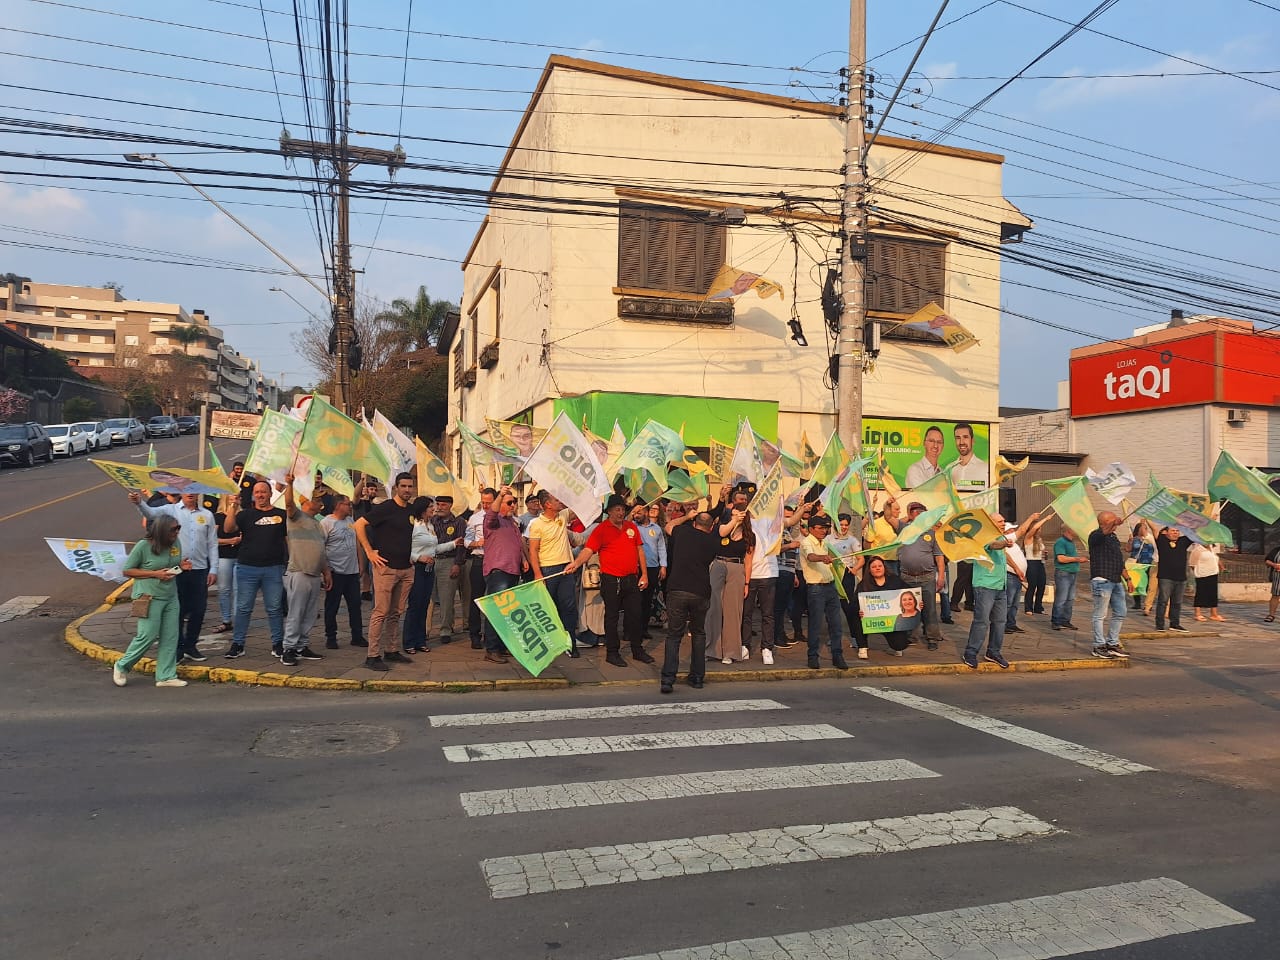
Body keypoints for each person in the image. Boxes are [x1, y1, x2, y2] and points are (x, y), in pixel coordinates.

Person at [130, 488, 218, 663]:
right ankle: (177, 648)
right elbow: (150, 513)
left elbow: (212, 544)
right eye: (186, 490)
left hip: (200, 569)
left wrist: (213, 569)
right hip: (177, 569)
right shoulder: (171, 510)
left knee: (199, 609)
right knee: (178, 610)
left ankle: (191, 645)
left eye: (194, 490)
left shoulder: (207, 515)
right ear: (181, 492)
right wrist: (139, 502)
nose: (190, 493)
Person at [564, 494, 651, 668]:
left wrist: (644, 574)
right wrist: (575, 563)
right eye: (617, 509)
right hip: (611, 580)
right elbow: (588, 550)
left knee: (635, 615)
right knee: (611, 616)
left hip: (631, 578)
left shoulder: (630, 527)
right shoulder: (601, 529)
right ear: (609, 512)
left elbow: (640, 550)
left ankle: (637, 649)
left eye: (622, 509)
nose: (620, 513)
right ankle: (612, 652)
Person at [112, 514, 190, 688]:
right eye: (173, 529)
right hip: (148, 597)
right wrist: (155, 574)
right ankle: (122, 665)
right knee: (147, 635)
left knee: (170, 636)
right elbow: (128, 571)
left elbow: (170, 569)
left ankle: (166, 675)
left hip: (170, 596)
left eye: (178, 528)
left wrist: (180, 568)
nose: (177, 532)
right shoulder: (143, 546)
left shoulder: (175, 544)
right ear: (161, 530)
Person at [354, 472, 417, 671]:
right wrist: (369, 551)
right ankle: (373, 655)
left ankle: (391, 649)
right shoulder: (385, 508)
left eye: (410, 486)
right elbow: (359, 524)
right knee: (380, 612)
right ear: (396, 487)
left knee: (397, 612)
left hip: (406, 569)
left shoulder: (411, 511)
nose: (407, 490)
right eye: (404, 486)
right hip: (385, 568)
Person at [222, 480, 287, 659]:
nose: (260, 495)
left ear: (270, 494)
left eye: (264, 492)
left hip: (273, 568)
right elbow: (228, 529)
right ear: (253, 495)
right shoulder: (245, 515)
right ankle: (238, 643)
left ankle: (277, 643)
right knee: (243, 608)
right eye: (257, 492)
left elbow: (288, 539)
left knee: (274, 608)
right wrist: (232, 507)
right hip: (247, 568)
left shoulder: (281, 515)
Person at [659, 509, 720, 693]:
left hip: (677, 589)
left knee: (674, 635)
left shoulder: (683, 532)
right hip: (700, 591)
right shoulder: (712, 541)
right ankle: (697, 677)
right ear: (710, 527)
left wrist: (686, 516)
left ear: (695, 523)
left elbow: (668, 526)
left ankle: (668, 679)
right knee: (699, 634)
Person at [279, 472, 330, 666]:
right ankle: (289, 648)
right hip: (299, 571)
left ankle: (302, 645)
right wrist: (289, 485)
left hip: (315, 574)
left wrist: (326, 572)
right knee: (296, 612)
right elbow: (289, 504)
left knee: (309, 613)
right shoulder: (296, 517)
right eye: (317, 499)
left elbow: (321, 550)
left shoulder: (317, 524)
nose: (321, 503)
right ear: (307, 501)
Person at [527, 492, 586, 657]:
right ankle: (547, 644)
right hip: (547, 570)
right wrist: (538, 574)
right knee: (547, 609)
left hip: (565, 569)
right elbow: (533, 550)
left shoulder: (563, 515)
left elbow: (579, 506)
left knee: (569, 608)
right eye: (556, 499)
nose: (560, 501)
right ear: (547, 505)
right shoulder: (537, 524)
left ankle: (570, 643)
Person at [404, 496, 460, 654]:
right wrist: (418, 557)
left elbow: (434, 548)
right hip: (417, 568)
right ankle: (409, 641)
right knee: (415, 606)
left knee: (424, 605)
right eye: (430, 506)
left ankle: (420, 640)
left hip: (430, 569)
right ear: (422, 509)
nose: (434, 509)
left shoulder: (430, 526)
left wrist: (453, 544)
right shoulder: (415, 525)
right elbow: (404, 547)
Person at [962, 513, 1018, 669]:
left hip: (1000, 586)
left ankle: (993, 651)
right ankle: (971, 652)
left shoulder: (1000, 537)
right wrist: (1005, 544)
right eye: (1000, 521)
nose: (1003, 523)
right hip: (985, 586)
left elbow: (1004, 549)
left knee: (1000, 622)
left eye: (1003, 520)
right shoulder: (984, 537)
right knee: (982, 621)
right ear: (991, 523)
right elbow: (994, 545)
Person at [707, 483, 756, 664]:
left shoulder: (750, 535)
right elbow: (721, 532)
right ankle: (712, 649)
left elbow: (749, 560)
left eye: (740, 513)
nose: (737, 515)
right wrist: (733, 521)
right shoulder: (724, 526)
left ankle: (730, 651)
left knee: (733, 611)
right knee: (714, 608)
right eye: (734, 512)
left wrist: (747, 583)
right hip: (719, 564)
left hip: (737, 569)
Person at [479, 487, 528, 664]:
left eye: (514, 501)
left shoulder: (512, 523)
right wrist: (500, 496)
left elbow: (517, 545)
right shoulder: (493, 521)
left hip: (513, 571)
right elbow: (491, 513)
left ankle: (500, 646)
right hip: (498, 571)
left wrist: (523, 559)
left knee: (507, 612)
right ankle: (491, 649)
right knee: (497, 611)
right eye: (509, 502)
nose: (513, 505)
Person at [799, 514, 849, 670]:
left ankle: (837, 655)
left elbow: (834, 557)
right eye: (821, 528)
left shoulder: (825, 542)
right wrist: (823, 558)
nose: (824, 530)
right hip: (816, 588)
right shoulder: (806, 542)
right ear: (811, 528)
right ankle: (812, 656)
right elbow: (811, 556)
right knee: (815, 624)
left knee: (836, 624)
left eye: (826, 528)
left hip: (830, 586)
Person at [896, 501, 946, 651]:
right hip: (907, 576)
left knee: (929, 608)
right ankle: (911, 636)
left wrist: (941, 577)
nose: (918, 514)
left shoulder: (932, 533)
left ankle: (932, 637)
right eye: (915, 512)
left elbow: (939, 557)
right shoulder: (904, 529)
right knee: (909, 607)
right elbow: (889, 518)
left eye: (922, 512)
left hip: (927, 577)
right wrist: (910, 516)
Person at [321, 494, 365, 649]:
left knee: (355, 604)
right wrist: (326, 570)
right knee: (332, 606)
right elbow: (321, 547)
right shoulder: (326, 523)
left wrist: (360, 563)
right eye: (347, 504)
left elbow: (357, 543)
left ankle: (357, 636)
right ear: (338, 505)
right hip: (335, 571)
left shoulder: (350, 521)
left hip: (352, 571)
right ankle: (331, 637)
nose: (350, 506)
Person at [1087, 511, 1133, 658]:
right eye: (1112, 520)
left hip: (1116, 579)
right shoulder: (1095, 535)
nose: (1117, 523)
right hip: (1102, 580)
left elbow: (1119, 561)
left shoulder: (1113, 537)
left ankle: (1112, 643)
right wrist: (1113, 523)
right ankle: (1098, 645)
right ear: (1104, 522)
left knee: (1121, 611)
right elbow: (1103, 532)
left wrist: (1128, 579)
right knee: (1100, 614)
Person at [459, 487, 497, 649]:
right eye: (483, 502)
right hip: (479, 560)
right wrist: (477, 543)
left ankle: (493, 636)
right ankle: (475, 634)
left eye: (489, 502)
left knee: (495, 600)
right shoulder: (474, 518)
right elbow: (466, 541)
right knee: (476, 597)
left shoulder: (502, 517)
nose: (486, 505)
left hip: (496, 562)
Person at [829, 513, 867, 659]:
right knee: (831, 608)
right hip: (832, 576)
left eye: (846, 525)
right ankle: (833, 637)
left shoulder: (853, 540)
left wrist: (855, 569)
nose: (843, 527)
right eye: (841, 524)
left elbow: (861, 559)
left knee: (849, 608)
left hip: (847, 576)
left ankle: (856, 638)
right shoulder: (828, 539)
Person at [429, 493, 466, 642]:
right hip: (432, 560)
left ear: (450, 505)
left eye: (443, 505)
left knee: (446, 598)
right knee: (431, 598)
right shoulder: (432, 521)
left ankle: (445, 630)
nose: (440, 507)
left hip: (449, 561)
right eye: (438, 504)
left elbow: (461, 544)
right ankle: (426, 628)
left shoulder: (458, 522)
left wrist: (457, 563)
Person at [859, 556, 912, 656]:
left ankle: (895, 647)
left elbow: (910, 592)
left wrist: (916, 604)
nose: (877, 568)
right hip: (872, 620)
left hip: (891, 621)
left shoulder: (894, 580)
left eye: (880, 566)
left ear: (884, 567)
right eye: (874, 567)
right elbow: (854, 603)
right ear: (869, 570)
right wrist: (859, 610)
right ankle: (862, 647)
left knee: (900, 644)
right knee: (857, 617)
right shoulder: (864, 584)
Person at [772, 503, 807, 649]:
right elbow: (773, 550)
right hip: (779, 571)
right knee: (778, 607)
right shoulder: (775, 530)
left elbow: (796, 524)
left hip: (789, 571)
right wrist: (789, 546)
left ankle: (781, 634)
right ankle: (776, 637)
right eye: (786, 517)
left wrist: (794, 575)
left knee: (784, 606)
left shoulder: (787, 532)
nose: (789, 520)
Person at [634, 502, 668, 638]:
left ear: (646, 513)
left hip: (652, 568)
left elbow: (661, 548)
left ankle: (643, 629)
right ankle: (630, 630)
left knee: (647, 601)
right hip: (636, 569)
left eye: (639, 513)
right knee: (634, 601)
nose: (637, 515)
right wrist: (631, 513)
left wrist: (663, 566)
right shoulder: (632, 527)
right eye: (635, 513)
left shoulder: (657, 529)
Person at [211, 494, 240, 635]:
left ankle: (238, 620)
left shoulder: (242, 515)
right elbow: (212, 540)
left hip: (240, 556)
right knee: (224, 589)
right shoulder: (218, 517)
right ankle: (226, 620)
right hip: (224, 556)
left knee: (238, 590)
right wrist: (229, 541)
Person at [1154, 525, 1191, 632]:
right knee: (1163, 601)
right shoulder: (1162, 541)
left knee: (1177, 602)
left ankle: (1174, 624)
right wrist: (1147, 518)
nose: (1175, 533)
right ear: (1166, 532)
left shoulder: (1183, 541)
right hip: (1166, 577)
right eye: (1173, 531)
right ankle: (1160, 624)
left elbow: (1195, 532)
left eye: (1177, 531)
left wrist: (1209, 519)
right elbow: (1154, 529)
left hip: (1181, 578)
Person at [352, 478, 382, 600]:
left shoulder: (377, 506)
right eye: (371, 489)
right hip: (361, 541)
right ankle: (359, 590)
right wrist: (362, 480)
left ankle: (368, 590)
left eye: (375, 489)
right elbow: (355, 494)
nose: (373, 491)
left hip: (375, 541)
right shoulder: (360, 505)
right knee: (361, 568)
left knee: (372, 569)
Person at [1051, 525, 1085, 631]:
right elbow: (1061, 558)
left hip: (1072, 573)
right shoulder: (1061, 542)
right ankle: (1056, 621)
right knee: (1061, 598)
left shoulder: (1071, 542)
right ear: (1069, 530)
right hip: (1064, 573)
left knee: (1070, 599)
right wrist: (1077, 559)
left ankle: (1065, 620)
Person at [863, 497, 902, 576]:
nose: (899, 512)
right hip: (881, 562)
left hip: (896, 562)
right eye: (897, 509)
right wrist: (873, 560)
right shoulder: (876, 524)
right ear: (888, 510)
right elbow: (867, 544)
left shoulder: (898, 524)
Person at [1190, 542, 1225, 622]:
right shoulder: (1198, 549)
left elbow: (1215, 558)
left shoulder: (1211, 549)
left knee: (1213, 594)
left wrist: (1221, 566)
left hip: (1213, 573)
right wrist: (1198, 571)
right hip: (1202, 574)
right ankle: (1198, 614)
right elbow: (1192, 564)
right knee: (1200, 593)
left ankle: (1214, 614)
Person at [948, 422, 988, 489]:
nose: (961, 442)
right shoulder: (949, 469)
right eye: (958, 438)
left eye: (965, 437)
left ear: (972, 440)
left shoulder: (985, 469)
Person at [1129, 520, 1156, 612]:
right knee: (1136, 582)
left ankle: (1148, 603)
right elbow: (1128, 549)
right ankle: (1137, 603)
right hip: (1137, 563)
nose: (1145, 529)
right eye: (1143, 528)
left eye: (1146, 528)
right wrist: (1130, 541)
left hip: (1148, 562)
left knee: (1148, 583)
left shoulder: (1150, 538)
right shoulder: (1134, 538)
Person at [1266, 543, 1280, 623]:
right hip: (1277, 577)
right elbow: (1267, 560)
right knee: (1275, 595)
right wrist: (1274, 565)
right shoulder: (1276, 550)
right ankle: (1271, 615)